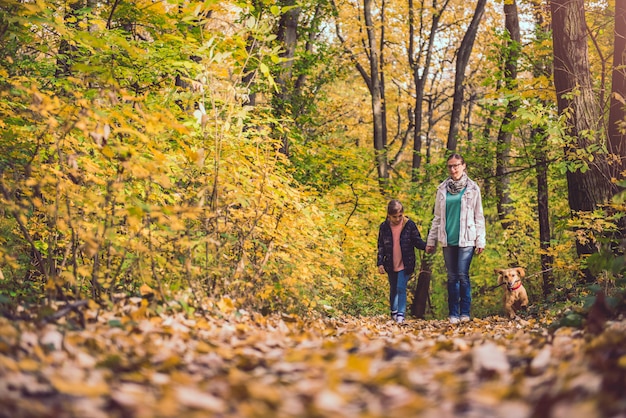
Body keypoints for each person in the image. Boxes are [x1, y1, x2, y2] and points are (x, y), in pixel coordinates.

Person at [425, 154, 486, 324]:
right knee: (451, 277)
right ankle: (453, 313)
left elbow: (478, 216)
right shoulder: (442, 189)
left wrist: (480, 240)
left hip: (467, 239)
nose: (453, 169)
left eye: (456, 165)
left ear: (463, 166)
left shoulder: (473, 189)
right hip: (447, 239)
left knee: (462, 275)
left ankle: (464, 312)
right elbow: (437, 217)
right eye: (450, 166)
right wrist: (431, 241)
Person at [377, 199, 427, 324]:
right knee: (393, 288)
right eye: (395, 217)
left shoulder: (409, 225)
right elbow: (381, 245)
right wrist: (380, 262)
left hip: (406, 262)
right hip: (390, 262)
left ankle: (401, 314)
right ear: (389, 215)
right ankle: (394, 311)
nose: (398, 219)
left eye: (400, 215)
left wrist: (427, 246)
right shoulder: (384, 227)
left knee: (401, 287)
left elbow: (417, 241)